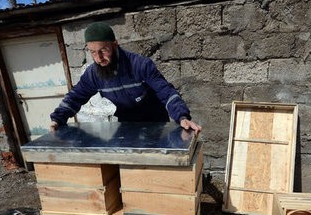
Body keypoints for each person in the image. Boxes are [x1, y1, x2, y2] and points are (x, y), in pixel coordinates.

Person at [50, 22, 202, 134]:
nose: (99, 58)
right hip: (126, 125)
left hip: (155, 123)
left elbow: (166, 91)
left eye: (103, 50)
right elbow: (75, 96)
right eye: (93, 52)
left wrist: (182, 116)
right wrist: (57, 119)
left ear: (115, 45)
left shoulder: (140, 65)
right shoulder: (94, 74)